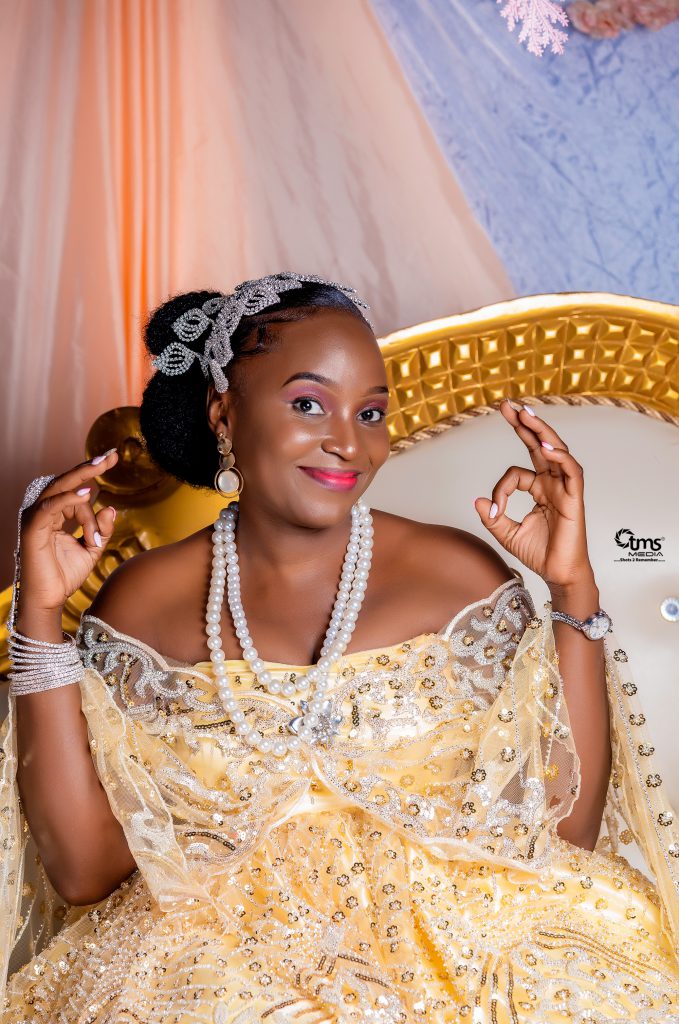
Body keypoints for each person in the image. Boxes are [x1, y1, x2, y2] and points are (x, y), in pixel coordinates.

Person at [1, 273, 678, 1024]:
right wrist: (40, 617)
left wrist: (572, 589)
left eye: (371, 412)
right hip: (212, 978)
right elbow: (85, 871)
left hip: (472, 964)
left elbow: (563, 829)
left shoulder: (456, 577)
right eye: (307, 404)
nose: (348, 443)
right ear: (224, 412)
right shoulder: (144, 603)